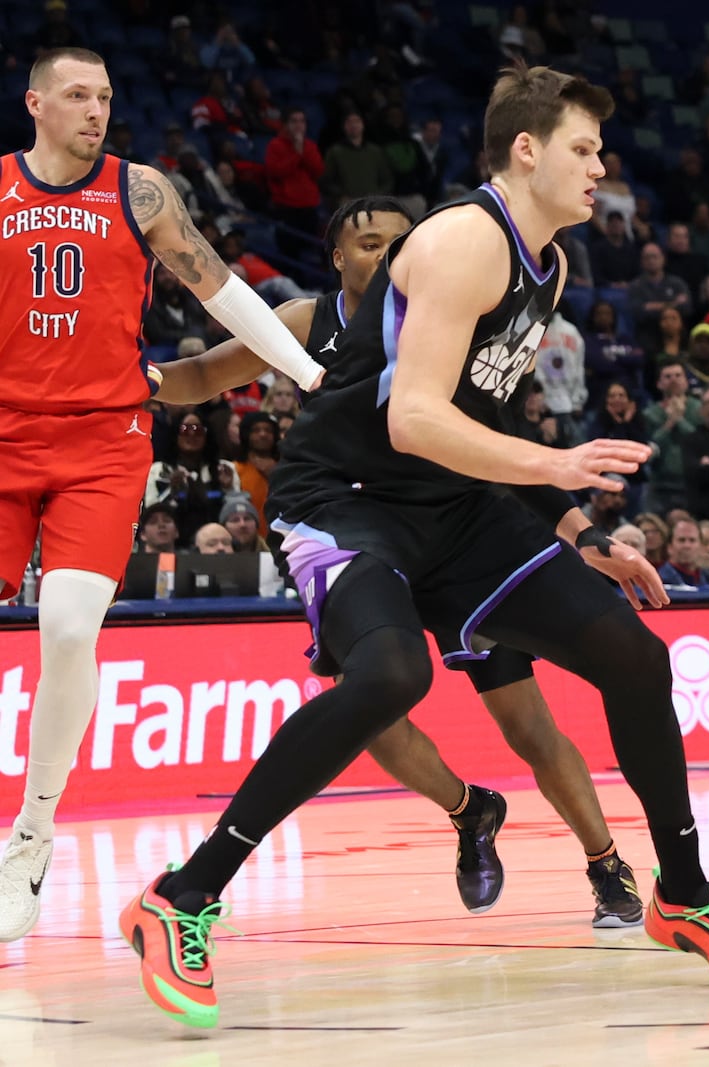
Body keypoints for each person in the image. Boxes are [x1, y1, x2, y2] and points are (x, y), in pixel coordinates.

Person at [119, 65, 709, 1030]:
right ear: (527, 150)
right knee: (389, 677)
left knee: (634, 658)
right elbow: (416, 419)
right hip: (348, 500)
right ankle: (182, 895)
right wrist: (557, 467)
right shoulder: (465, 240)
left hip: (460, 509)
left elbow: (474, 420)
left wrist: (581, 532)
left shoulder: (547, 265)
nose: (602, 167)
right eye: (584, 149)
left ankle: (680, 892)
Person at [153, 195, 645, 927]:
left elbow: (502, 423)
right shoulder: (303, 322)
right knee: (373, 702)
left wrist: (578, 530)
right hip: (356, 528)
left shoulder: (452, 305)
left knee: (525, 720)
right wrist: (117, 382)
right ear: (336, 258)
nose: (385, 253)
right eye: (368, 242)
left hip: (456, 528)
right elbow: (195, 381)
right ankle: (469, 808)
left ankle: (607, 864)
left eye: (397, 241)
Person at [1, 48, 328, 943]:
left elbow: (220, 287)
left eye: (105, 95)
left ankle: (32, 833)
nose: (94, 110)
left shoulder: (138, 191)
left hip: (104, 439)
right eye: (76, 96)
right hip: (4, 435)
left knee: (68, 627)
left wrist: (306, 372)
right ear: (35, 104)